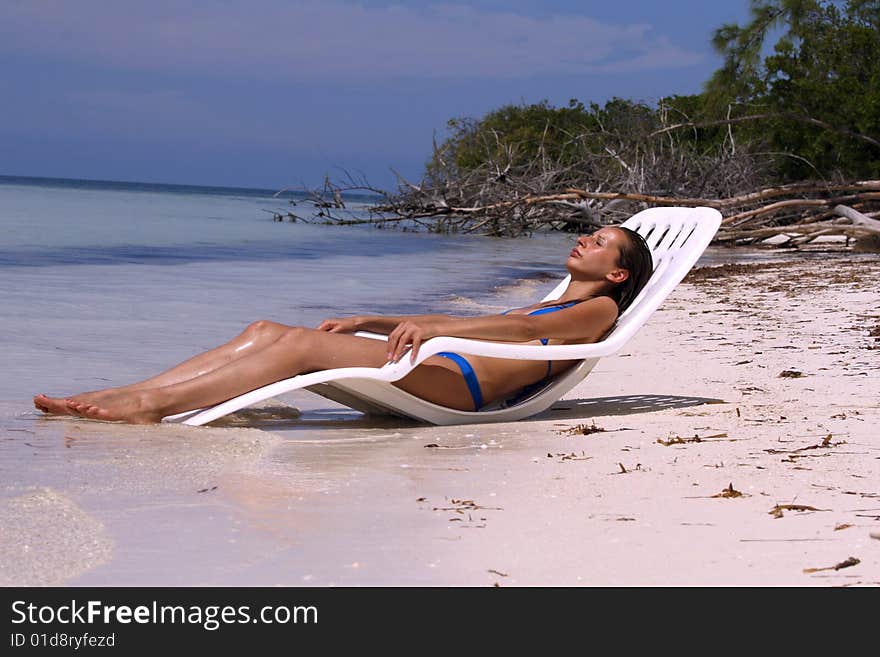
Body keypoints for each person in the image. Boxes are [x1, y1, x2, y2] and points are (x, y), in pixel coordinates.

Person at [33, 226, 653, 424]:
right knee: (268, 327)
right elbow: (497, 321)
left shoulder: (598, 310)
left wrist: (429, 334)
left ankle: (147, 405)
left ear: (618, 276)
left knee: (300, 345)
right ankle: (138, 391)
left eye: (599, 243)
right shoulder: (560, 301)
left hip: (458, 386)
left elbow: (515, 336)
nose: (583, 239)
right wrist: (379, 319)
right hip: (442, 363)